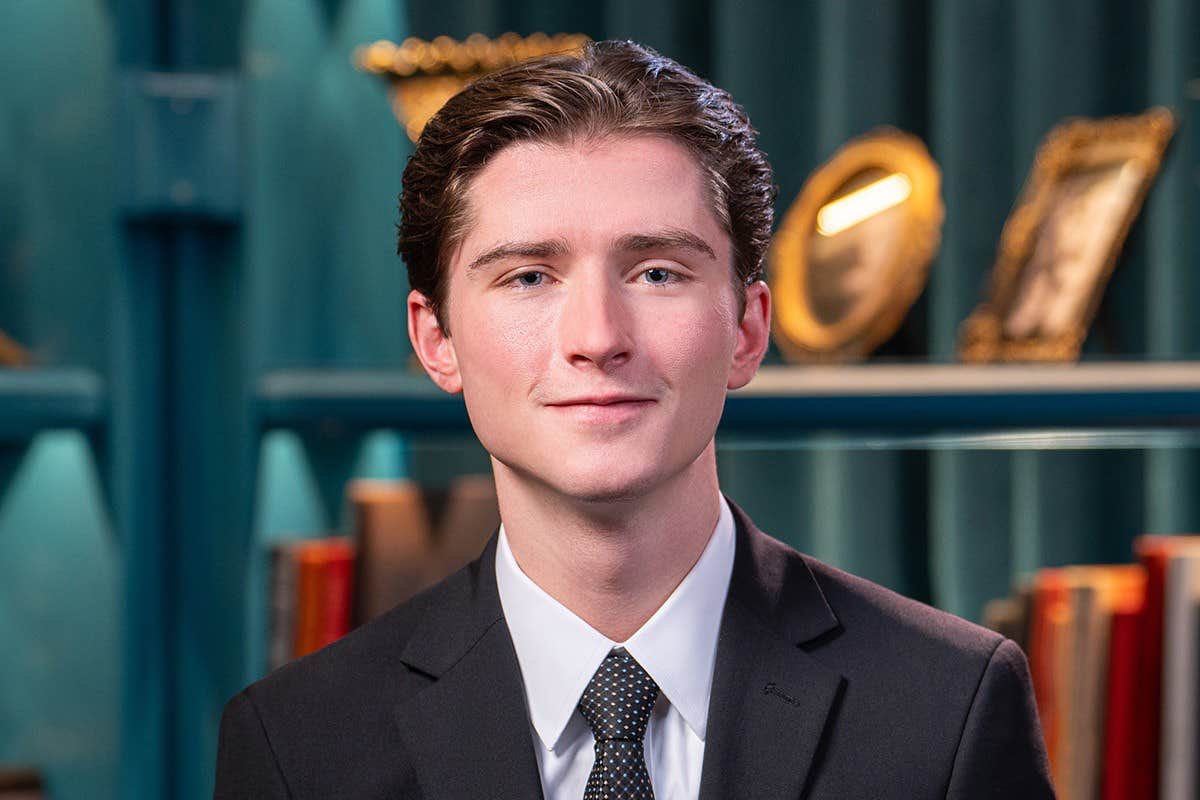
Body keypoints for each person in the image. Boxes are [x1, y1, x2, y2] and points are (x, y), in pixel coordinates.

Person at [214, 39, 1054, 799]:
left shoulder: (948, 709)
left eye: (656, 273)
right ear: (436, 340)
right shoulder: (299, 749)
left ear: (747, 330)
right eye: (529, 278)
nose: (597, 339)